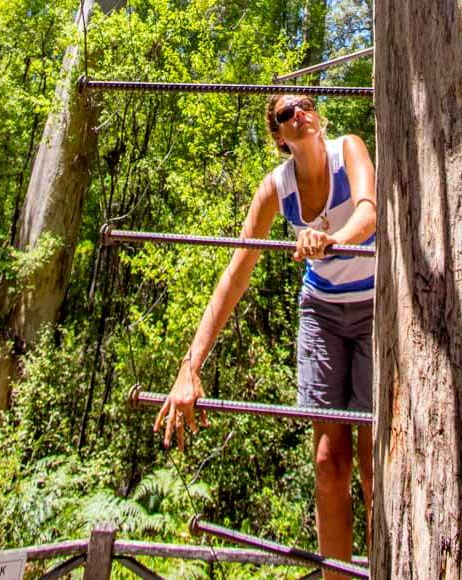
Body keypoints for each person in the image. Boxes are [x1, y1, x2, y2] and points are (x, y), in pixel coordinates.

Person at [154, 93, 376, 580]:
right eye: (285, 113)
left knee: (373, 464)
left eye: (306, 104)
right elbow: (236, 274)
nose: (299, 111)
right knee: (327, 463)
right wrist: (189, 367)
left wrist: (332, 240)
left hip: (375, 307)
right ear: (279, 137)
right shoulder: (277, 189)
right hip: (322, 313)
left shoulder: (349, 150)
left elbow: (368, 214)